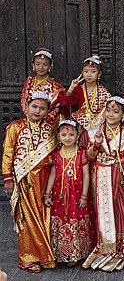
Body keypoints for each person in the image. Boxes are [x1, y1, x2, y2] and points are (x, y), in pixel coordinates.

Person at [82, 95, 124, 272]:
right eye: (108, 110)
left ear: (123, 115)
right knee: (103, 209)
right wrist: (96, 146)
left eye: (116, 111)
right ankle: (105, 246)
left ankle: (122, 248)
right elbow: (88, 157)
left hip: (121, 176)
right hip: (100, 175)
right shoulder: (94, 132)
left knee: (122, 210)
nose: (111, 114)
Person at [2, 91, 57, 273]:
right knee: (26, 218)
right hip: (24, 180)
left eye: (42, 109)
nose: (37, 111)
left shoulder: (50, 129)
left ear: (47, 111)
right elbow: (8, 153)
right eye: (34, 106)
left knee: (43, 216)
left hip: (44, 179)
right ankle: (27, 258)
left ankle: (44, 255)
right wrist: (7, 177)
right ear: (26, 106)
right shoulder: (15, 127)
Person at [43, 119, 93, 266]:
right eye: (64, 135)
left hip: (77, 196)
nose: (68, 138)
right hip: (60, 197)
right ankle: (61, 253)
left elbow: (86, 175)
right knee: (61, 221)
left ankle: (76, 254)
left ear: (77, 135)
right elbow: (52, 175)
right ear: (58, 136)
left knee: (77, 221)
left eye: (71, 134)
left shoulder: (81, 153)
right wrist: (47, 194)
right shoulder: (56, 155)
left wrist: (84, 196)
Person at [56, 55, 111, 131]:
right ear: (82, 73)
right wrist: (71, 88)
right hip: (80, 126)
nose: (89, 75)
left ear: (99, 74)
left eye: (93, 72)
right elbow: (64, 103)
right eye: (86, 71)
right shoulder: (78, 89)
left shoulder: (104, 92)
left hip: (98, 127)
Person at [20, 48, 66, 125]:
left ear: (50, 67)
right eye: (38, 64)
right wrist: (30, 118)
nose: (41, 67)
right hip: (28, 121)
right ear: (33, 65)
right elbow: (24, 102)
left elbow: (56, 108)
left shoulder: (56, 88)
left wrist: (44, 120)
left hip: (48, 123)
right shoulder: (28, 83)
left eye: (45, 65)